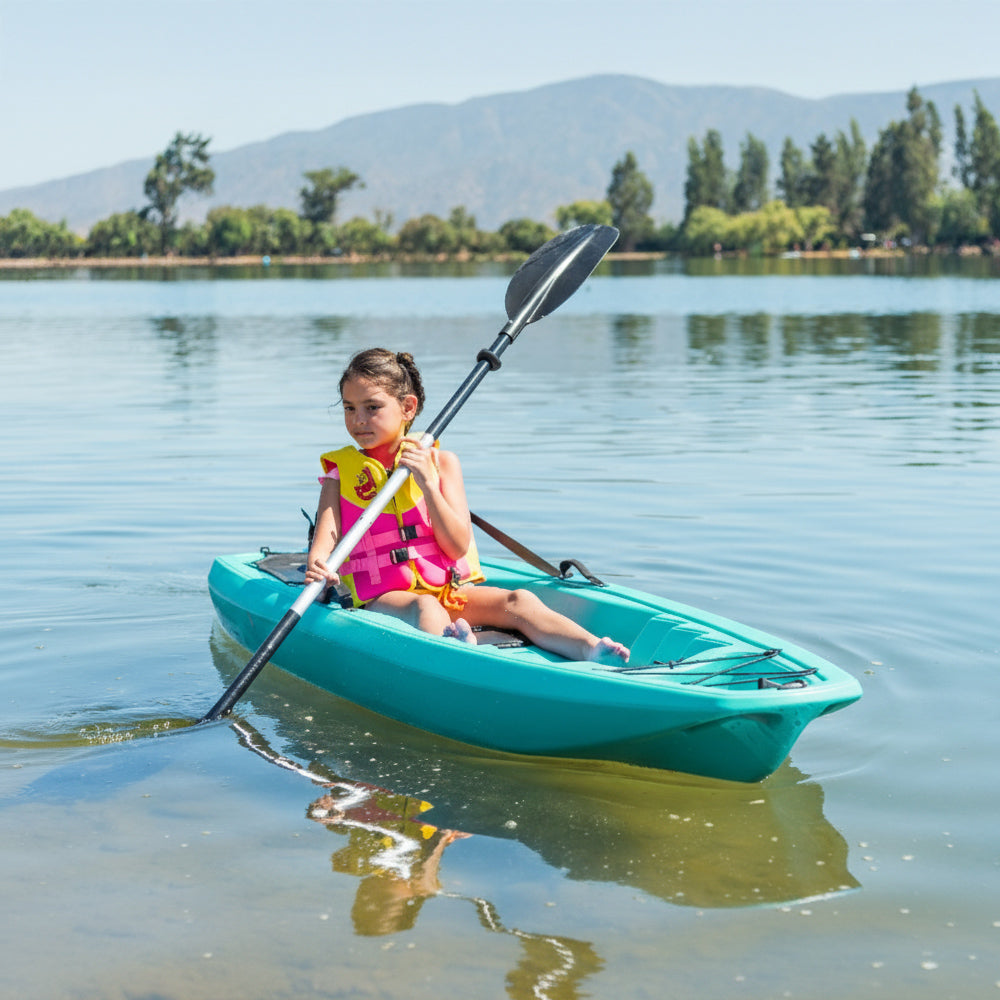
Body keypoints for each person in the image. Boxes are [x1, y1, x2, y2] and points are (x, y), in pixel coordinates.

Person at [304, 347, 629, 663]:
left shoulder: (442, 464)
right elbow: (325, 542)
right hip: (384, 598)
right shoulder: (340, 474)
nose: (358, 420)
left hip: (450, 590)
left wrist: (428, 486)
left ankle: (589, 648)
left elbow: (457, 546)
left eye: (371, 407)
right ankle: (457, 655)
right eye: (349, 408)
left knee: (518, 600)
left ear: (407, 407)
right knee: (425, 608)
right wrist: (318, 567)